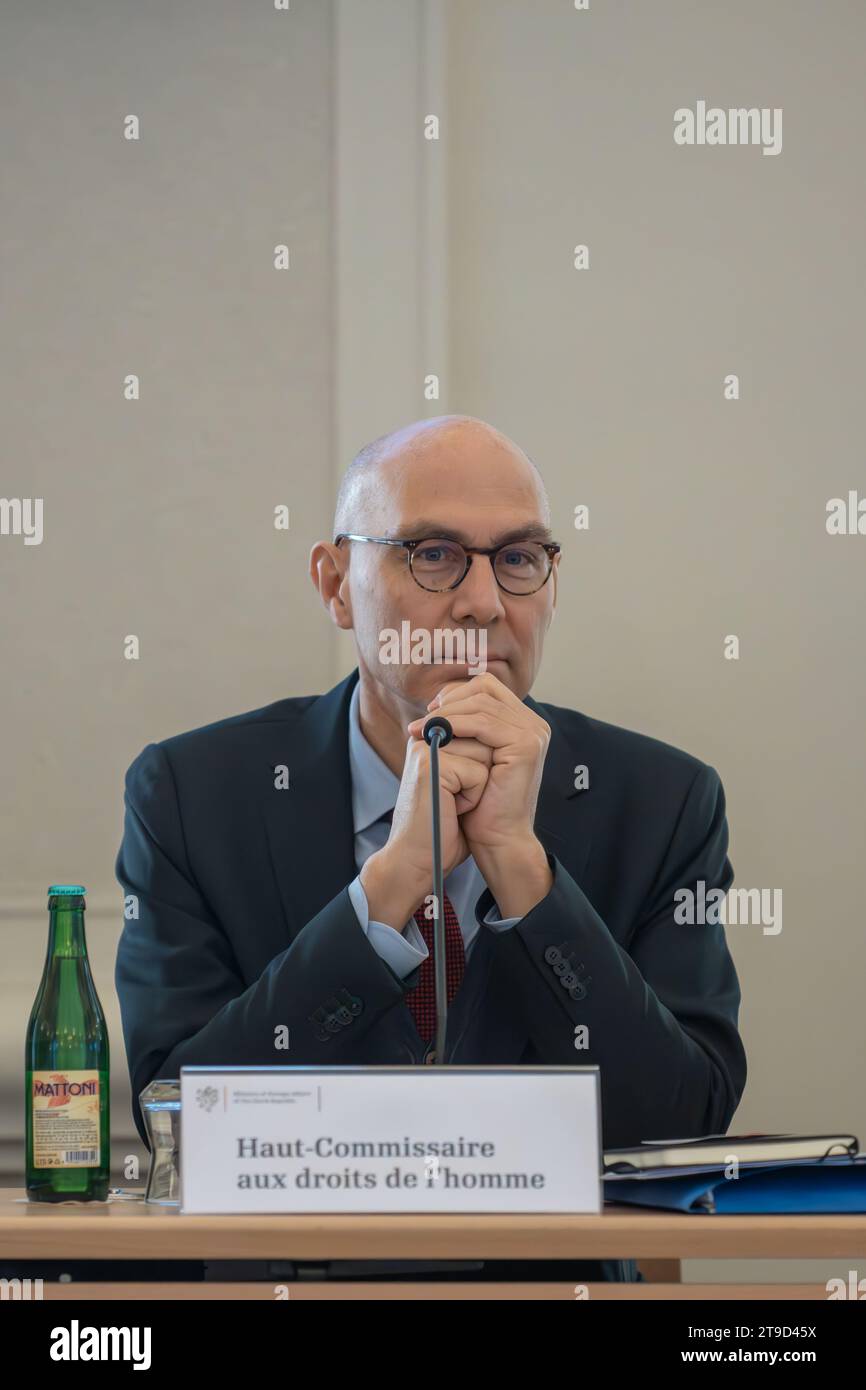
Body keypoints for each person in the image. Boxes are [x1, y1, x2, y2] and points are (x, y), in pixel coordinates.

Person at [115, 415, 746, 1284]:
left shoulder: (663, 801)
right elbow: (177, 1120)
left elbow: (681, 1128)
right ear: (336, 584)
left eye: (519, 558)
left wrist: (522, 869)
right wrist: (389, 888)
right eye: (435, 554)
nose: (485, 601)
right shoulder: (192, 794)